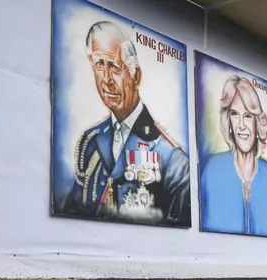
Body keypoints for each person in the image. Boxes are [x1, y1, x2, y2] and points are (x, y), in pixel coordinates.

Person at [63, 21, 190, 226]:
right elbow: (71, 214)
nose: (106, 79)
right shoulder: (92, 142)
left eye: (113, 66)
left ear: (135, 76)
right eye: (99, 65)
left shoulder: (172, 159)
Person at [200, 76, 267, 237]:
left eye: (248, 116)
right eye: (234, 114)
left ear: (257, 123)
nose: (241, 125)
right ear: (229, 123)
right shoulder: (211, 171)